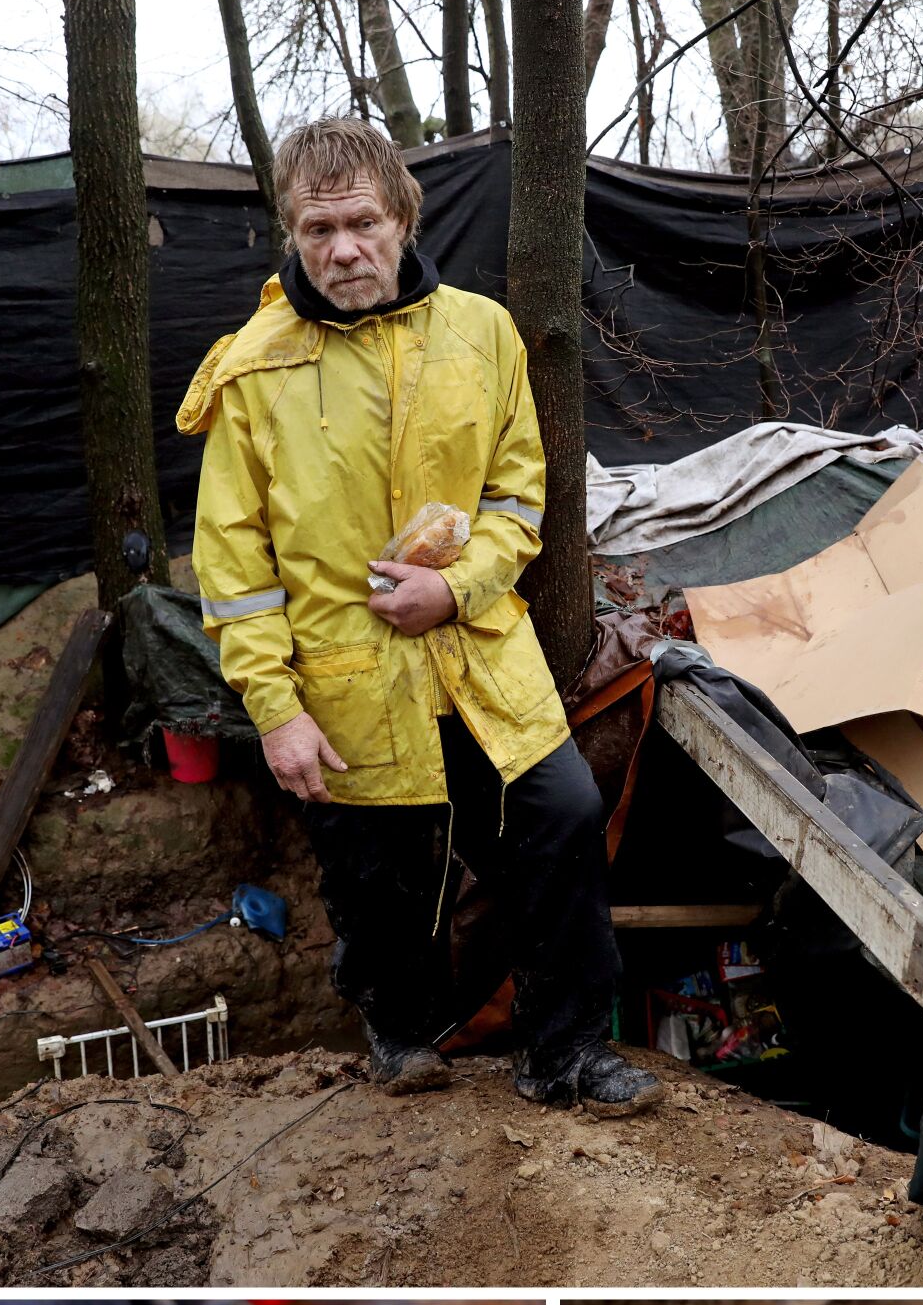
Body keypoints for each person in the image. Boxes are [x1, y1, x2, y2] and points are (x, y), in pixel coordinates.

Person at [176, 117, 660, 1114]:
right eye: (317, 229)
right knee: (379, 876)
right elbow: (234, 562)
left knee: (561, 817)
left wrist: (462, 583)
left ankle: (562, 1050)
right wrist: (272, 705)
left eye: (360, 221)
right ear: (290, 234)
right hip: (343, 680)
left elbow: (518, 495)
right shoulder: (251, 371)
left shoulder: (480, 334)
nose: (342, 247)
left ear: (402, 216)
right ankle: (402, 1032)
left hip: (478, 654)